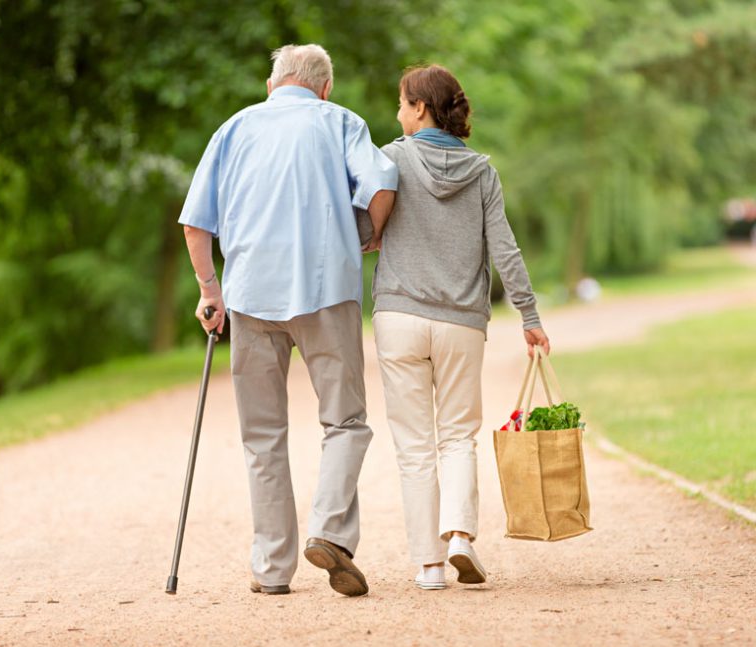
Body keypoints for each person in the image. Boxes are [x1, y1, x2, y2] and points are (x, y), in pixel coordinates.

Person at [179, 44, 397, 597]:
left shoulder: (234, 128)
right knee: (345, 422)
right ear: (324, 87)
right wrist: (367, 236)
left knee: (262, 436)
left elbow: (195, 225)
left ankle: (272, 570)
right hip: (326, 291)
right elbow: (382, 184)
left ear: (272, 83)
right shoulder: (341, 122)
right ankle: (329, 531)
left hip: (251, 295)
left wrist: (211, 290)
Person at [369, 65, 549, 590]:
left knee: (414, 445)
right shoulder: (483, 173)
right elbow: (505, 251)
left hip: (399, 317)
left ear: (420, 108)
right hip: (461, 325)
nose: (398, 113)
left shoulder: (391, 159)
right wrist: (530, 317)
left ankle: (428, 566)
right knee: (457, 438)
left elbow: (364, 227)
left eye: (402, 103)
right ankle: (461, 538)